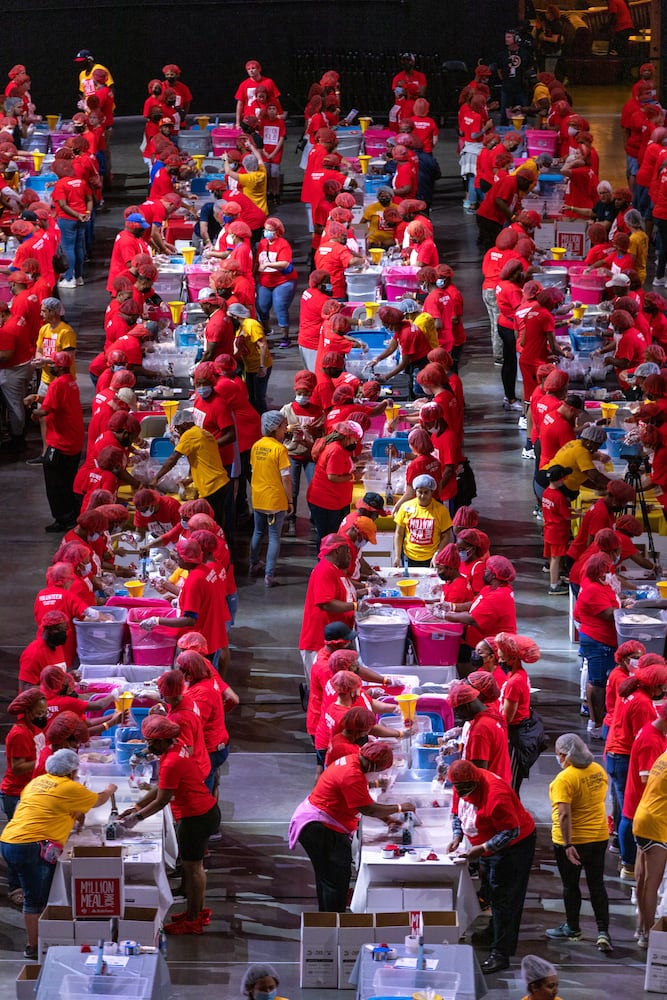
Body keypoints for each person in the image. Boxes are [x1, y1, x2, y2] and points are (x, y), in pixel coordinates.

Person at [1, 748, 116, 960]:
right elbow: (98, 800)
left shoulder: (37, 782)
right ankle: (34, 946)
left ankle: (44, 936)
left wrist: (73, 814)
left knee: (32, 893)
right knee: (35, 898)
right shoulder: (69, 787)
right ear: (71, 771)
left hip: (9, 840)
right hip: (31, 846)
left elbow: (46, 806)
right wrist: (110, 789)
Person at [119, 715, 220, 935]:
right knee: (193, 867)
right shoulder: (177, 748)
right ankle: (195, 911)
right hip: (204, 811)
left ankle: (194, 919)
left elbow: (162, 800)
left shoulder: (171, 762)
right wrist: (136, 807)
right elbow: (163, 787)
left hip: (196, 817)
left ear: (166, 740)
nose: (150, 746)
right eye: (148, 741)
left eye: (154, 742)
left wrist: (133, 820)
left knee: (194, 870)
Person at [289, 742, 415, 911]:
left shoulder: (352, 761)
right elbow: (367, 808)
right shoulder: (351, 774)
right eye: (379, 770)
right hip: (320, 827)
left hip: (321, 820)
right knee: (335, 879)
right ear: (373, 765)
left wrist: (387, 819)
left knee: (327, 877)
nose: (377, 774)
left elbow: (359, 799)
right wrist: (399, 808)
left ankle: (327, 920)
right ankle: (334, 923)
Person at [447, 759, 536, 974]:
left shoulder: (496, 795)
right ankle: (493, 930)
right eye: (459, 790)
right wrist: (457, 836)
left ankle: (501, 953)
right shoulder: (459, 782)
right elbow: (456, 812)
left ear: (475, 782)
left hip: (514, 847)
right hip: (487, 846)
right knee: (489, 891)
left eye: (468, 790)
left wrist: (482, 849)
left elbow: (510, 831)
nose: (463, 794)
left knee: (505, 898)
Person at [547, 733, 612, 953]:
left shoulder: (564, 780)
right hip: (599, 837)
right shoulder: (599, 771)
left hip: (573, 842)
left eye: (558, 754)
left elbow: (564, 814)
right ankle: (603, 931)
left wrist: (567, 844)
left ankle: (573, 928)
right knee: (596, 885)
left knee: (571, 885)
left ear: (565, 755)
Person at [23, 351, 84, 532]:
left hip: (60, 443)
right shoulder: (71, 382)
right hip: (73, 440)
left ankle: (63, 518)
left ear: (60, 366)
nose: (50, 366)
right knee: (67, 480)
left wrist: (32, 412)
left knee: (55, 483)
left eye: (53, 363)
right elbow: (55, 403)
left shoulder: (58, 384)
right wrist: (36, 397)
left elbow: (45, 410)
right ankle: (72, 514)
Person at [152, 410, 231, 532]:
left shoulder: (190, 435)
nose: (178, 432)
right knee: (220, 523)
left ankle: (218, 549)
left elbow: (173, 459)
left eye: (178, 428)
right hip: (221, 482)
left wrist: (156, 478)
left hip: (211, 487)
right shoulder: (203, 433)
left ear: (184, 424)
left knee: (212, 526)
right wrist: (190, 480)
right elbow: (205, 463)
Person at [299, 534, 358, 679]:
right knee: (321, 691)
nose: (350, 556)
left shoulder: (335, 570)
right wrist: (355, 606)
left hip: (333, 642)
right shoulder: (324, 571)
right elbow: (326, 603)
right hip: (318, 643)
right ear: (337, 550)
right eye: (347, 551)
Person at [249, 411, 292, 586]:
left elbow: (254, 471)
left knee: (258, 532)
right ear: (275, 428)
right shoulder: (279, 449)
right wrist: (290, 501)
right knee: (274, 537)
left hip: (258, 497)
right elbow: (286, 479)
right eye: (283, 427)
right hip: (275, 500)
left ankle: (253, 564)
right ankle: (269, 575)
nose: (285, 430)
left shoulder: (256, 446)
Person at [633, 749, 667, 947]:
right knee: (651, 884)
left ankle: (641, 928)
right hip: (657, 826)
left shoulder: (663, 756)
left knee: (642, 880)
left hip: (643, 819)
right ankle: (647, 934)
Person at [393, 474, 453, 567]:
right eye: (419, 492)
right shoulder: (405, 507)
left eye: (426, 492)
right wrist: (397, 556)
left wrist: (437, 554)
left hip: (431, 559)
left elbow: (446, 536)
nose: (422, 496)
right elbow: (399, 533)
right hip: (408, 557)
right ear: (415, 491)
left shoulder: (441, 510)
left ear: (431, 492)